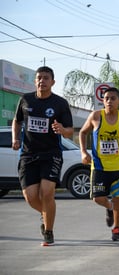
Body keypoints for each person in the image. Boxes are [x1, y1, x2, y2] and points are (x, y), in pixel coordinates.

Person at [12, 66, 74, 246]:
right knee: (30, 197)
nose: (42, 81)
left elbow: (70, 131)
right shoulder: (25, 99)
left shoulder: (60, 103)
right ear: (35, 81)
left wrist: (62, 130)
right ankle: (46, 214)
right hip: (28, 154)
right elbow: (17, 121)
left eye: (46, 78)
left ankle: (48, 231)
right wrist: (16, 138)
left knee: (47, 192)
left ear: (52, 82)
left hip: (51, 154)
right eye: (39, 78)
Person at [79, 87, 119, 241]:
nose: (109, 101)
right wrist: (83, 152)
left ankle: (117, 228)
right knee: (98, 198)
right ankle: (109, 207)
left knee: (118, 197)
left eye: (113, 98)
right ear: (103, 101)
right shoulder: (95, 116)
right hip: (99, 166)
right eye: (106, 98)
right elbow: (82, 132)